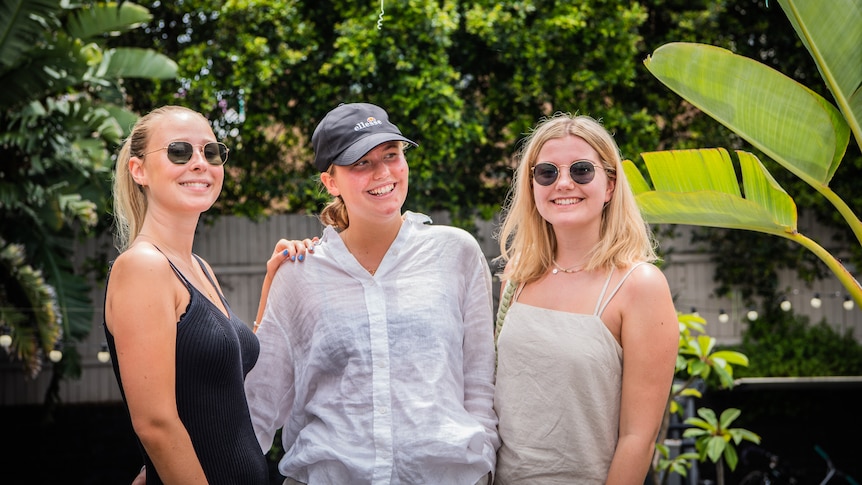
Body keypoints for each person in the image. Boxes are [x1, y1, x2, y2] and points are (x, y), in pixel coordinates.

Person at [244, 102, 500, 485]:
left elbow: (480, 380)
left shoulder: (456, 252)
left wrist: (482, 463)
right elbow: (258, 406)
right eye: (361, 163)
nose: (383, 173)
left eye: (391, 155)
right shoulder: (300, 272)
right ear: (330, 182)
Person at [105, 105, 310, 485]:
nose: (200, 163)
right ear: (139, 170)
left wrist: (274, 279)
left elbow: (226, 378)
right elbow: (155, 424)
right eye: (179, 152)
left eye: (211, 152)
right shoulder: (144, 267)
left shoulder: (197, 267)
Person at [492, 113, 679, 484]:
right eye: (546, 172)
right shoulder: (518, 276)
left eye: (581, 171)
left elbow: (637, 439)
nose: (563, 183)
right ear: (531, 186)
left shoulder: (639, 285)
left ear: (610, 185)